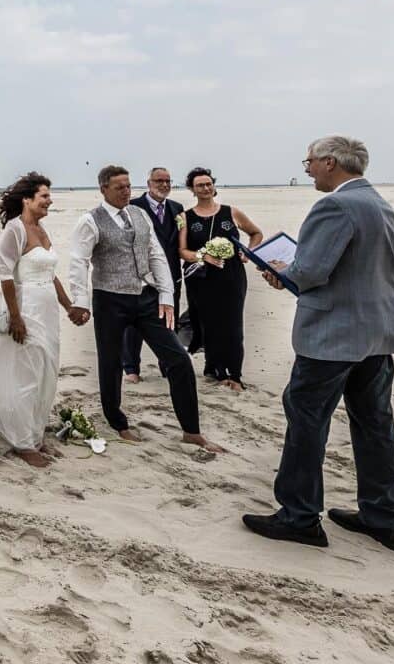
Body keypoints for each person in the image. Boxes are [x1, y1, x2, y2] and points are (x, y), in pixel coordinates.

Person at [245, 136, 394, 553]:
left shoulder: (334, 205)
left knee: (306, 421)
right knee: (375, 424)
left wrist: (282, 271)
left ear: (329, 163)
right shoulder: (381, 204)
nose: (306, 170)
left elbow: (311, 271)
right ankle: (383, 517)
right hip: (378, 333)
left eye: (308, 162)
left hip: (333, 337)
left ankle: (300, 516)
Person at [68, 166, 224, 452]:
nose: (127, 191)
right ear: (103, 189)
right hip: (109, 299)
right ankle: (118, 423)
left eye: (128, 186)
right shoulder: (90, 220)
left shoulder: (139, 215)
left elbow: (155, 254)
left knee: (178, 359)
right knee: (111, 364)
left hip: (146, 298)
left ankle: (191, 430)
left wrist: (166, 293)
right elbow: (79, 261)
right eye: (119, 187)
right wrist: (79, 301)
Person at [0, 173, 82, 467]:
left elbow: (51, 275)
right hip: (26, 307)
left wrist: (69, 306)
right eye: (44, 196)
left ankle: (36, 433)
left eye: (49, 196)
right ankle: (23, 442)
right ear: (27, 199)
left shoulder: (42, 230)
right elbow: (4, 276)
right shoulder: (14, 231)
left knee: (46, 371)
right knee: (27, 373)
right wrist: (16, 318)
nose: (49, 201)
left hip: (48, 311)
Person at [177, 167, 264, 390]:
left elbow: (256, 233)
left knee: (233, 324)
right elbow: (182, 251)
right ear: (192, 189)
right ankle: (215, 369)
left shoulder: (231, 212)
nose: (205, 188)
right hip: (201, 277)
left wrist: (248, 252)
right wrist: (202, 256)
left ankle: (234, 373)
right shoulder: (186, 217)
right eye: (200, 185)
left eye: (208, 184)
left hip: (231, 276)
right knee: (208, 323)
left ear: (214, 186)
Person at [134, 167, 188, 370]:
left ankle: (167, 364)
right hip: (142, 275)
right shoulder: (133, 206)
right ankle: (131, 367)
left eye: (167, 181)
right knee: (135, 322)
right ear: (149, 183)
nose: (164, 185)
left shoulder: (177, 207)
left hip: (172, 273)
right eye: (159, 181)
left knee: (169, 319)